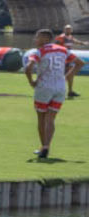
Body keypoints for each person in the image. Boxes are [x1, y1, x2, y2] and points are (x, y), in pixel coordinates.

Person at [24, 28, 78, 159]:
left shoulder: (39, 51)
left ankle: (43, 147)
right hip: (60, 87)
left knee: (41, 118)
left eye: (37, 37)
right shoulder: (63, 49)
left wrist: (31, 81)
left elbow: (28, 67)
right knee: (51, 119)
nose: (35, 40)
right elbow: (79, 63)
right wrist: (65, 77)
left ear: (45, 39)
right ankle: (46, 146)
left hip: (44, 86)